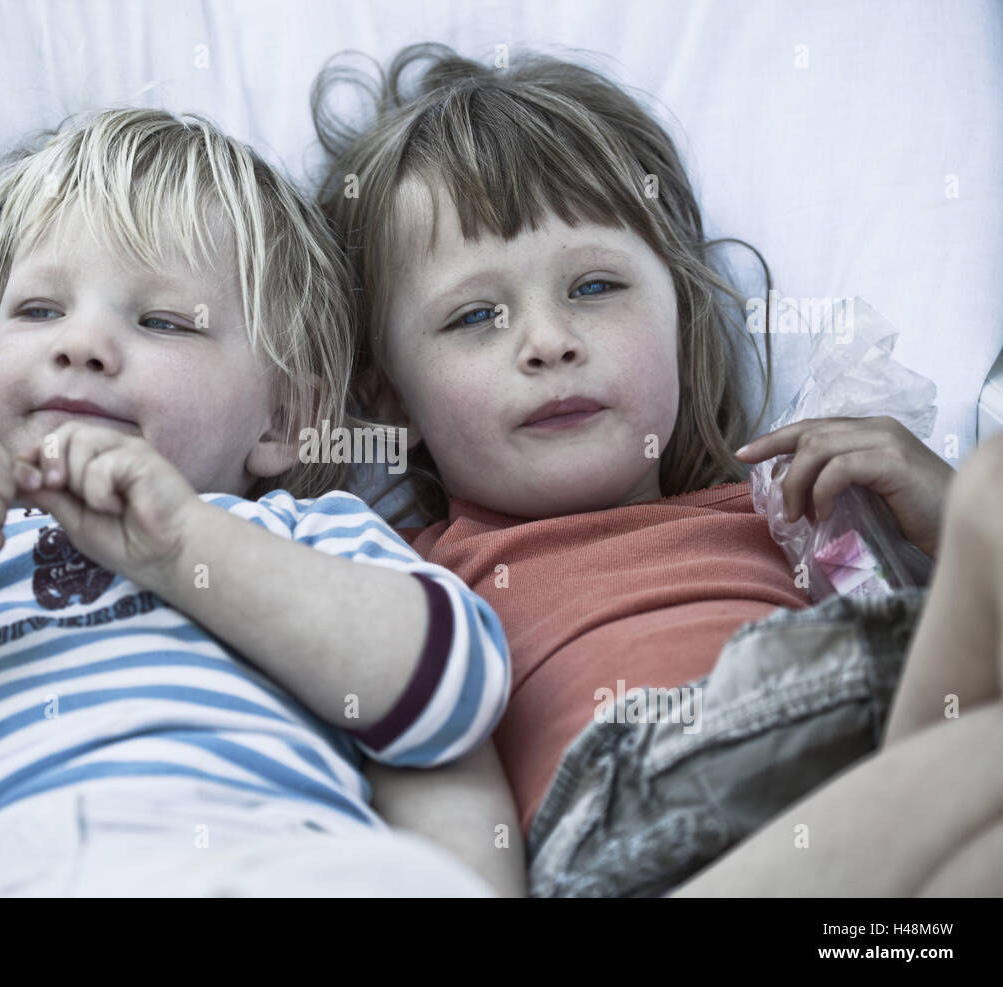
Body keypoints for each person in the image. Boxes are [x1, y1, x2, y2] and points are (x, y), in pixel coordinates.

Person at [0, 107, 520, 897]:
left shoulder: (299, 535)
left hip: (284, 860)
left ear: (285, 420)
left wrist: (185, 544)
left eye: (163, 321)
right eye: (39, 311)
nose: (81, 343)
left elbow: (453, 691)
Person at [312, 43, 999, 896]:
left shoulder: (789, 505)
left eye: (595, 287)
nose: (548, 340)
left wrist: (936, 514)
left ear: (681, 313)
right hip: (644, 828)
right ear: (389, 398)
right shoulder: (394, 570)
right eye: (475, 316)